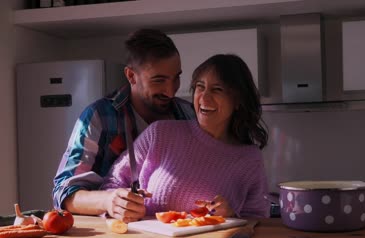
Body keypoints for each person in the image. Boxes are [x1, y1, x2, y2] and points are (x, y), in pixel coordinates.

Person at [102, 54, 270, 220]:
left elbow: (259, 222)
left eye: (217, 89)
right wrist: (122, 203)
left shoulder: (249, 158)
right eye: (200, 87)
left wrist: (233, 216)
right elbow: (113, 182)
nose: (204, 97)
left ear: (238, 100)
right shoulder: (159, 133)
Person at [52, 29, 195, 222]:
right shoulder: (98, 117)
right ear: (131, 76)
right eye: (159, 80)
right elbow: (64, 193)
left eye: (176, 77)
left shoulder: (188, 113)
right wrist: (109, 200)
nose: (170, 91)